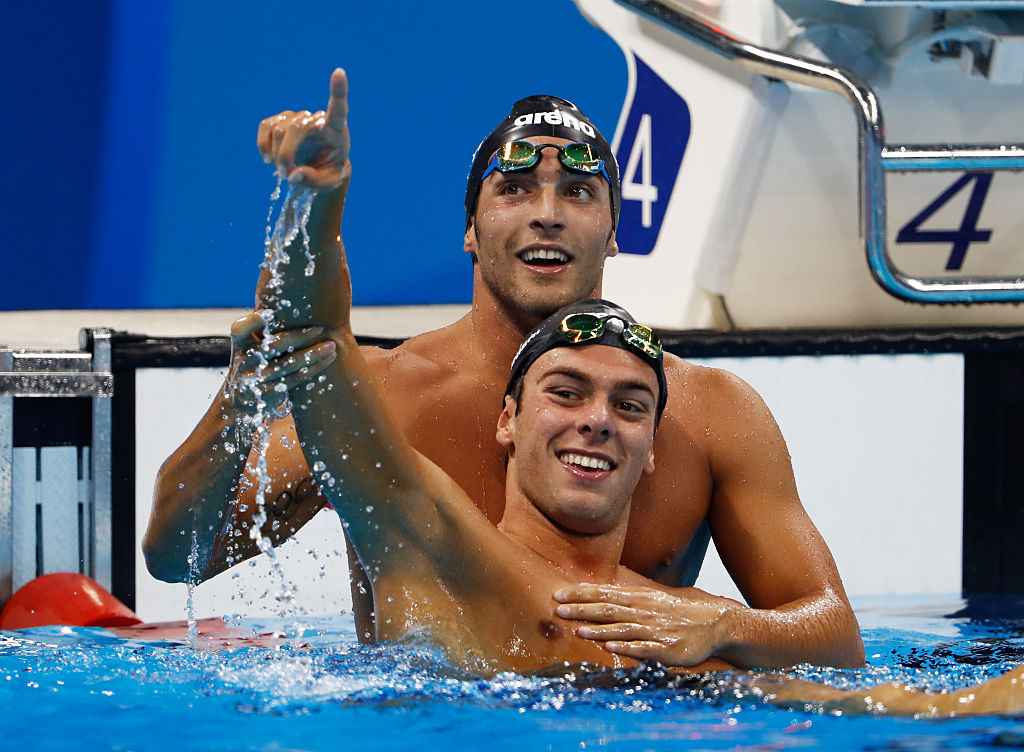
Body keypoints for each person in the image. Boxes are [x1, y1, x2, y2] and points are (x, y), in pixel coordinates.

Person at [144, 69, 864, 670]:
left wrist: (723, 625)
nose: (547, 214)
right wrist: (242, 392)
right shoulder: (390, 394)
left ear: (614, 232)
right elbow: (178, 557)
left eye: (578, 193)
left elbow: (833, 634)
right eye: (515, 188)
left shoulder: (710, 413)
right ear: (470, 228)